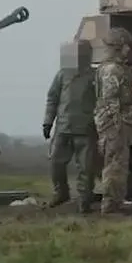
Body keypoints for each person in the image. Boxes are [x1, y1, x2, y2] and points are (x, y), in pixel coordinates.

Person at [42, 40, 97, 213]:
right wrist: (48, 122)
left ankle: (84, 200)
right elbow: (52, 98)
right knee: (55, 162)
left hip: (86, 129)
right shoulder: (62, 75)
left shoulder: (95, 76)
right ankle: (61, 193)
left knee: (86, 168)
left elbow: (102, 101)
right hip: (63, 127)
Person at [94, 27, 132, 214]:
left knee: (117, 164)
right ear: (118, 46)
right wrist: (117, 123)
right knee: (114, 165)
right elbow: (110, 99)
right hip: (114, 124)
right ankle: (111, 205)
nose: (129, 49)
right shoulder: (112, 69)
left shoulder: (113, 67)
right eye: (126, 45)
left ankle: (115, 202)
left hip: (115, 123)